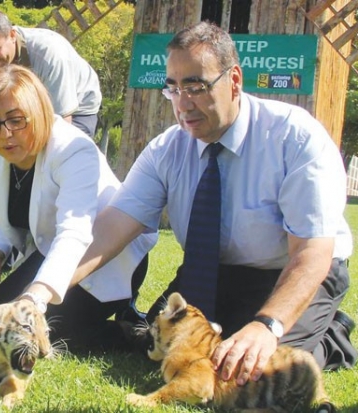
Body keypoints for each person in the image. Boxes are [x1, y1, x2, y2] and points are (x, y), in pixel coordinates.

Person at [70, 21, 356, 378]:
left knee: (252, 372)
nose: (182, 103)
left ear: (234, 80)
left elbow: (312, 253)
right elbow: (113, 226)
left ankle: (330, 336)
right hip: (213, 271)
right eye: (172, 88)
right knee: (156, 345)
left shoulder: (294, 137)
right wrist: (47, 286)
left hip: (292, 271)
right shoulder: (166, 149)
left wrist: (267, 325)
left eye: (195, 86)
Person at [0, 64, 155, 351]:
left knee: (27, 336)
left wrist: (36, 297)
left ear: (38, 113)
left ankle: (128, 333)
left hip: (108, 260)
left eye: (16, 120)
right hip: (49, 253)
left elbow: (74, 232)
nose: (5, 134)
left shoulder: (73, 149)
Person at [0, 10, 102, 139]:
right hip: (28, 108)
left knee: (63, 155)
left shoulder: (49, 54)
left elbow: (62, 120)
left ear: (12, 35)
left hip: (78, 108)